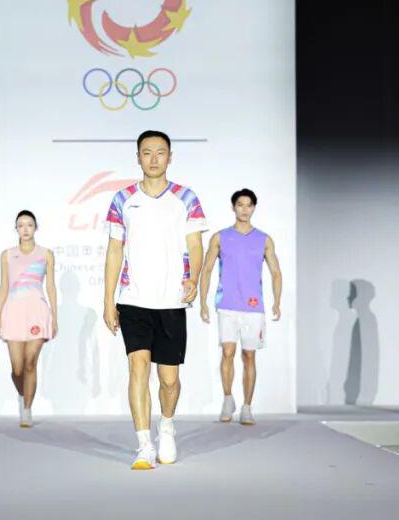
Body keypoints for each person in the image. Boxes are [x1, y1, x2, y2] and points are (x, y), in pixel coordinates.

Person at [103, 130, 208, 469]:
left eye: (159, 152)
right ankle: (144, 445)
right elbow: (114, 250)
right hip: (134, 299)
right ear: (138, 157)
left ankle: (167, 426)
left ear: (170, 157)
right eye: (146, 152)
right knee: (138, 367)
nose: (153, 158)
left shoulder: (186, 198)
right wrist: (108, 300)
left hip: (172, 301)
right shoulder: (122, 199)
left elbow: (195, 244)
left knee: (169, 380)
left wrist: (193, 277)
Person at [199, 188, 282, 426]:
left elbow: (276, 272)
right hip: (227, 304)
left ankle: (247, 406)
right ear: (233, 207)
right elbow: (207, 269)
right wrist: (203, 302)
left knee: (249, 356)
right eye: (240, 205)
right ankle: (228, 399)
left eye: (249, 205)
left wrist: (277, 301)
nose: (244, 209)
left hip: (253, 307)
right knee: (227, 352)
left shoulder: (264, 240)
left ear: (254, 208)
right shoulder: (220, 237)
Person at [0, 210, 57, 428]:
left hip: (37, 312)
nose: (25, 229)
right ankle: (22, 395)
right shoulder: (7, 255)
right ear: (16, 229)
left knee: (31, 363)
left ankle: (27, 409)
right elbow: (4, 286)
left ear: (35, 227)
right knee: (18, 369)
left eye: (29, 225)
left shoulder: (46, 254)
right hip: (13, 312)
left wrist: (54, 317)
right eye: (21, 225)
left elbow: (51, 286)